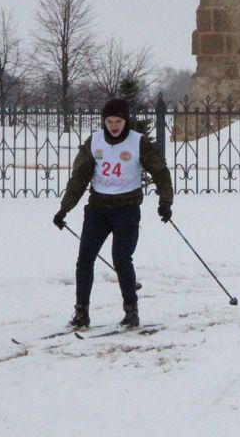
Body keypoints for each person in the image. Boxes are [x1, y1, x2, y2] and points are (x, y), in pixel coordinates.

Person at [53, 97, 173, 329]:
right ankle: (81, 313)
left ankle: (131, 311)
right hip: (98, 210)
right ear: (103, 121)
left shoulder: (137, 142)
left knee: (121, 258)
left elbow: (160, 171)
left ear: (125, 120)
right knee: (85, 260)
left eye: (118, 120)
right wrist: (64, 209)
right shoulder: (94, 142)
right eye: (109, 121)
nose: (114, 126)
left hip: (126, 210)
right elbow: (79, 178)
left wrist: (165, 202)